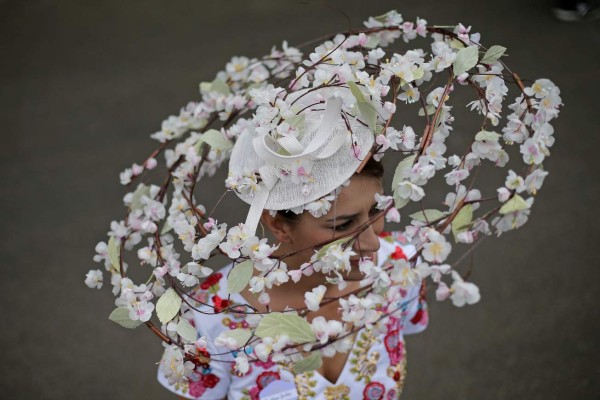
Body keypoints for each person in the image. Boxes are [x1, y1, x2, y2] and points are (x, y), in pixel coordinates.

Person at [157, 156, 428, 399]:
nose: (373, 243)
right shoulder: (207, 315)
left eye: (375, 210)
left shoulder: (400, 268)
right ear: (278, 224)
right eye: (343, 225)